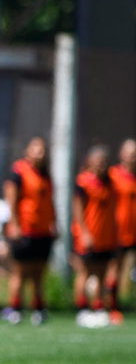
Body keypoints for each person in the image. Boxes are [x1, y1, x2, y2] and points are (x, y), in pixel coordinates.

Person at [1, 137, 56, 325]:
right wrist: (15, 225)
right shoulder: (19, 172)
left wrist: (53, 223)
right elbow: (11, 198)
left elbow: (49, 201)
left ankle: (38, 308)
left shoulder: (45, 174)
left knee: (38, 272)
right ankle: (15, 308)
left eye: (42, 150)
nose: (40, 153)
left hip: (42, 230)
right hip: (24, 229)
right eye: (36, 149)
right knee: (20, 271)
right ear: (27, 151)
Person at [71, 146, 117, 320]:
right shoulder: (83, 182)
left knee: (101, 273)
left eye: (104, 162)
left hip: (105, 237)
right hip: (88, 236)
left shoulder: (110, 182)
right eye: (97, 161)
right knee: (85, 272)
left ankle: (97, 308)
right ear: (89, 162)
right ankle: (81, 309)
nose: (101, 165)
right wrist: (83, 232)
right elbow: (78, 209)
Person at [105, 138, 136, 323]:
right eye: (130, 153)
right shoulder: (112, 176)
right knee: (115, 268)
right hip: (119, 232)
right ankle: (112, 306)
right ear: (121, 154)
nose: (133, 157)